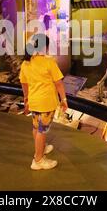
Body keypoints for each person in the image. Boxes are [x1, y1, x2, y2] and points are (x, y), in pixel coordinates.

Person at [19, 34, 68, 170]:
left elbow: (24, 83)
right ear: (45, 47)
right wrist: (64, 99)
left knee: (36, 127)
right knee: (42, 130)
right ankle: (38, 159)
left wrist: (26, 98)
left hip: (34, 101)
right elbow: (59, 83)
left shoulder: (25, 62)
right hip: (46, 103)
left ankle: (41, 148)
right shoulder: (49, 62)